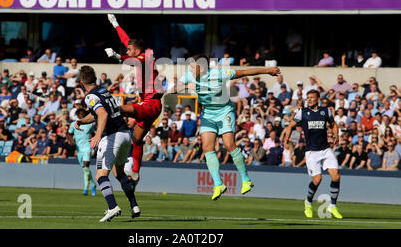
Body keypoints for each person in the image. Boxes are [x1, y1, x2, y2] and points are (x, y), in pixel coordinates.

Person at [181, 53, 280, 200]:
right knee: (207, 148)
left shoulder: (219, 73)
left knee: (229, 145)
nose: (189, 68)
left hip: (224, 112)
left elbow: (244, 72)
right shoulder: (189, 75)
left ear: (201, 67)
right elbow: (174, 86)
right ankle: (218, 184)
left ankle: (246, 180)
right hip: (208, 114)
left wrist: (267, 70)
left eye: (192, 66)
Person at [74, 66, 140, 222]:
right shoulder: (104, 91)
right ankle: (134, 205)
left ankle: (113, 207)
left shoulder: (90, 96)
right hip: (124, 135)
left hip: (111, 136)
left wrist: (97, 135)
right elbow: (98, 114)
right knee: (119, 172)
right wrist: (82, 121)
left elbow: (102, 114)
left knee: (100, 175)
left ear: (82, 82)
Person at [105, 14, 163, 184]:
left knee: (118, 109)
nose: (127, 50)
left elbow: (134, 59)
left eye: (129, 49)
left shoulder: (146, 57)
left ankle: (108, 136)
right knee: (136, 140)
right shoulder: (139, 54)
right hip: (148, 105)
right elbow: (126, 40)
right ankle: (136, 173)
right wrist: (115, 24)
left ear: (136, 50)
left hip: (150, 104)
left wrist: (117, 57)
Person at [284, 89, 343, 219]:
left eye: (311, 97)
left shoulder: (325, 111)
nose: (309, 99)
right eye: (308, 97)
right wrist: (286, 140)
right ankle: (308, 202)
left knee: (336, 176)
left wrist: (336, 136)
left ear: (318, 99)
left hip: (326, 149)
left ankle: (332, 206)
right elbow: (290, 126)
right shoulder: (302, 112)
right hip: (311, 152)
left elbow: (334, 124)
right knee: (317, 180)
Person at [68, 108, 97, 196]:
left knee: (86, 167)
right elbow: (69, 134)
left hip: (87, 148)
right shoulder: (73, 124)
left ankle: (85, 188)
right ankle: (93, 184)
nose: (81, 115)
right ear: (77, 115)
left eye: (83, 114)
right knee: (85, 169)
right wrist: (71, 141)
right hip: (79, 149)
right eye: (79, 114)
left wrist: (93, 145)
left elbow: (94, 134)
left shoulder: (90, 124)